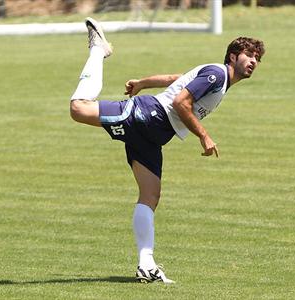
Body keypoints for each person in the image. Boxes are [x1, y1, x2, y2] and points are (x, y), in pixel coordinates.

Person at [70, 17, 265, 284]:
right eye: (249, 55)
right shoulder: (218, 74)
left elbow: (177, 79)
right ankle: (98, 50)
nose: (254, 61)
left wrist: (142, 82)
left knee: (150, 195)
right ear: (233, 56)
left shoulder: (218, 80)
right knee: (79, 109)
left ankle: (146, 265)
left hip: (155, 134)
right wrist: (204, 136)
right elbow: (181, 101)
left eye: (257, 58)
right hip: (147, 116)